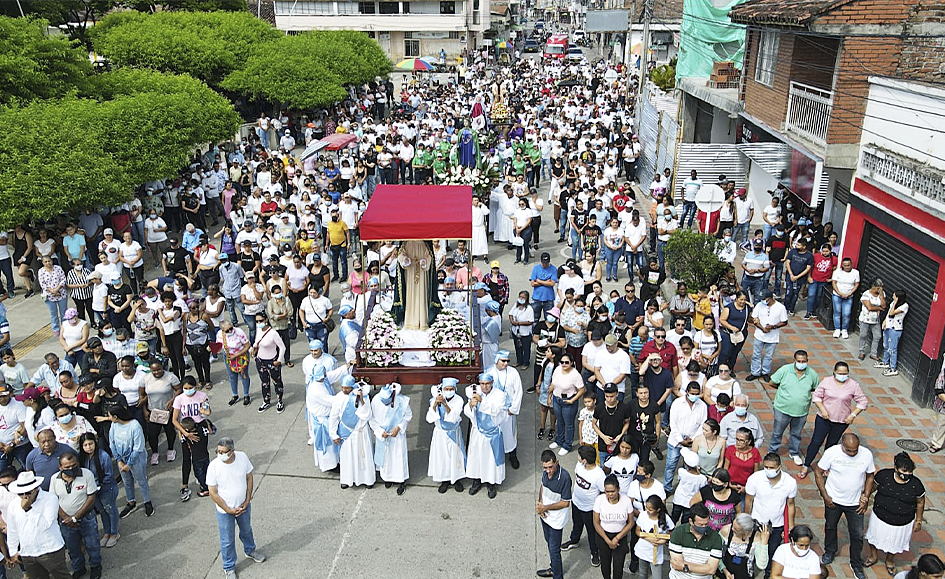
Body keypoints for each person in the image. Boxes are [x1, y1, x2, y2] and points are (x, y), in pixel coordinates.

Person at [815, 433, 875, 579]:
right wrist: (825, 495)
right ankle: (830, 551)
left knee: (857, 535)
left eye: (855, 450)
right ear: (842, 445)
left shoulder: (866, 454)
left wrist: (866, 496)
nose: (853, 453)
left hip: (855, 503)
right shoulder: (831, 453)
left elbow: (870, 475)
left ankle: (856, 564)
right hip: (833, 500)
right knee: (830, 526)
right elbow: (818, 471)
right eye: (849, 450)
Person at [208, 437, 266, 579]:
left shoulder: (242, 457)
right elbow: (212, 493)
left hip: (243, 506)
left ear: (232, 451)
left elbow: (249, 477)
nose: (220, 454)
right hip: (224, 511)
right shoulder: (214, 466)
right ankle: (228, 567)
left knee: (246, 530)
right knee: (227, 540)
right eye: (218, 451)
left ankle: (250, 550)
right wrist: (228, 509)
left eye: (223, 452)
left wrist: (247, 500)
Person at [800, 361, 867, 479]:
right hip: (823, 418)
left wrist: (853, 415)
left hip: (841, 420)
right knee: (816, 441)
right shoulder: (826, 382)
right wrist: (823, 409)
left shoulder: (853, 385)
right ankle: (806, 464)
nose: (842, 375)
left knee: (831, 445)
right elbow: (816, 396)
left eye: (845, 373)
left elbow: (862, 402)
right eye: (840, 373)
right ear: (834, 372)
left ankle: (826, 466)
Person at [864, 452, 925, 575]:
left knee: (895, 542)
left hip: (902, 521)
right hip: (880, 516)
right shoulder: (884, 476)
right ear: (896, 468)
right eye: (904, 471)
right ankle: (873, 556)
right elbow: (872, 487)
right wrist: (864, 498)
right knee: (873, 536)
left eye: (909, 473)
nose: (906, 475)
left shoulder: (916, 485)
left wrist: (918, 520)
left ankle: (890, 560)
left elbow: (920, 502)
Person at [5, 470, 72, 579]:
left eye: (27, 493)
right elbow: (13, 530)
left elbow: (45, 525)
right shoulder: (13, 505)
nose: (24, 496)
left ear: (36, 488)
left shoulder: (50, 499)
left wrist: (28, 509)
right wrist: (13, 551)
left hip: (50, 550)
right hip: (28, 552)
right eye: (20, 493)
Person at [50, 452, 102, 579]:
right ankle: (79, 568)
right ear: (60, 467)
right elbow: (53, 500)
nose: (70, 469)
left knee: (92, 544)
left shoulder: (87, 474)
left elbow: (91, 497)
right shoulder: (54, 479)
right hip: (65, 522)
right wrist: (66, 518)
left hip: (86, 518)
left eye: (73, 465)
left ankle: (95, 566)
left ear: (78, 463)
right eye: (66, 467)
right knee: (72, 548)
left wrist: (75, 517)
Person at [745, 453, 797, 577]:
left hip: (777, 525)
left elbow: (790, 505)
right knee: (751, 551)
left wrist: (790, 527)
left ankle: (768, 574)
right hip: (756, 522)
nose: (768, 470)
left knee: (772, 552)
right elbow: (748, 500)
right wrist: (746, 520)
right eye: (766, 467)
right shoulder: (755, 478)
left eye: (771, 468)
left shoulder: (790, 482)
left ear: (779, 467)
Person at [766, 350, 819, 466]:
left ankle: (794, 452)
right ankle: (773, 451)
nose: (801, 363)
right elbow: (772, 382)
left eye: (804, 361)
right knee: (777, 432)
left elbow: (815, 388)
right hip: (782, 409)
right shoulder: (785, 370)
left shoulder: (812, 374)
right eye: (799, 361)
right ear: (793, 360)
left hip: (801, 412)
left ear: (807, 361)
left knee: (796, 433)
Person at [465, 373, 507, 499]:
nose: (485, 386)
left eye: (487, 384)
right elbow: (467, 411)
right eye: (482, 384)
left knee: (490, 460)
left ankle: (491, 483)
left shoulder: (500, 395)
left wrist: (481, 402)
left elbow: (496, 410)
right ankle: (476, 481)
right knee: (477, 457)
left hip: (492, 433)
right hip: (478, 431)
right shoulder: (474, 393)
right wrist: (471, 405)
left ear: (492, 383)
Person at [329, 376, 375, 489]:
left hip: (361, 431)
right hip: (347, 432)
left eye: (347, 388)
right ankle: (347, 479)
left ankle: (367, 479)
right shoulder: (338, 398)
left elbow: (367, 414)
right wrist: (333, 434)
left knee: (363, 457)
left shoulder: (361, 396)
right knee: (347, 457)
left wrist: (362, 400)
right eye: (343, 388)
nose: (344, 390)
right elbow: (334, 417)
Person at [108, 406, 154, 518]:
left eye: (109, 416)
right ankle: (131, 502)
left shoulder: (135, 425)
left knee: (141, 480)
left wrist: (129, 463)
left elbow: (138, 447)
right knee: (127, 481)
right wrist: (119, 460)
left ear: (116, 416)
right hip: (122, 459)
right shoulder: (114, 425)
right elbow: (112, 442)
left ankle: (147, 501)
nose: (108, 418)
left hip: (136, 459)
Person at [563, 444, 605, 564]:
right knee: (576, 524)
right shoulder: (579, 466)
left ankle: (594, 552)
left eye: (579, 456)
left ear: (585, 460)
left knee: (592, 532)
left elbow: (602, 493)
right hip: (576, 502)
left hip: (589, 509)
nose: (578, 457)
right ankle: (574, 540)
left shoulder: (599, 475)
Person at [665, 382, 708, 494]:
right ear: (687, 392)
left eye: (697, 393)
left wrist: (692, 439)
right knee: (670, 465)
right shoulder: (677, 403)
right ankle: (667, 487)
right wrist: (681, 440)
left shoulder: (702, 406)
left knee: (689, 467)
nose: (694, 396)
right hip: (675, 441)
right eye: (692, 393)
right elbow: (673, 423)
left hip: (692, 442)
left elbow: (702, 425)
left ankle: (686, 487)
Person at [426, 377, 466, 493]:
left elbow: (453, 417)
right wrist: (435, 404)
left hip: (453, 432)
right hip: (440, 433)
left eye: (451, 389)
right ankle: (445, 480)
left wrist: (445, 404)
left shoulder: (458, 400)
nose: (449, 391)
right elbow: (430, 417)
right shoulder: (434, 399)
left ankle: (456, 479)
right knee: (442, 456)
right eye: (446, 389)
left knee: (455, 456)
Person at [370, 383, 411, 495]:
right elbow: (372, 419)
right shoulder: (375, 400)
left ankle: (401, 481)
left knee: (398, 458)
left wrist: (398, 428)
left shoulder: (402, 401)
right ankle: (387, 478)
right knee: (386, 458)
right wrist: (379, 431)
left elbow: (408, 416)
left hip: (396, 435)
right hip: (383, 435)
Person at [537, 450, 572, 579]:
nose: (548, 471)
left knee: (554, 549)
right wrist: (540, 503)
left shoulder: (564, 478)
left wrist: (545, 507)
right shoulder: (545, 473)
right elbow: (542, 487)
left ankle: (557, 575)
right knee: (549, 543)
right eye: (545, 467)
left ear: (557, 462)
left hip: (556, 520)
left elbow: (565, 503)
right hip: (545, 515)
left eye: (550, 467)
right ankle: (553, 568)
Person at [593, 473, 634, 579]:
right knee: (605, 566)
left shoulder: (626, 501)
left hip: (620, 536)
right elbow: (596, 523)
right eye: (607, 491)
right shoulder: (599, 500)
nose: (610, 494)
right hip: (603, 536)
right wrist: (608, 540)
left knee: (618, 567)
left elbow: (630, 523)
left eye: (613, 491)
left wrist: (617, 538)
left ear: (618, 489)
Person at [668, 503, 723, 579]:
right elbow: (676, 564)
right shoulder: (678, 533)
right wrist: (703, 568)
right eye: (700, 525)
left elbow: (711, 569)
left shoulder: (715, 538)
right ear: (691, 521)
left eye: (706, 524)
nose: (704, 527)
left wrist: (685, 566)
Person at [548, 351, 585, 456]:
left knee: (568, 424)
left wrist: (572, 400)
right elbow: (553, 383)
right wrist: (549, 396)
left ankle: (567, 444)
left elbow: (582, 390)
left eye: (566, 362)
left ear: (572, 363)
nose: (564, 364)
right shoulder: (557, 369)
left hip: (568, 401)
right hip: (557, 399)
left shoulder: (575, 374)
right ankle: (559, 440)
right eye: (562, 362)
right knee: (559, 421)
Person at [746, 290, 787, 382]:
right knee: (756, 354)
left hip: (773, 337)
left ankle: (765, 372)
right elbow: (753, 319)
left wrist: (773, 327)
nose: (762, 301)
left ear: (770, 298)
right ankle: (755, 372)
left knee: (769, 356)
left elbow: (784, 321)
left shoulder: (780, 307)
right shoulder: (759, 306)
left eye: (764, 299)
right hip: (759, 335)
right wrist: (761, 328)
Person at [718, 513, 771, 579]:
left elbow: (762, 565)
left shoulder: (756, 538)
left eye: (736, 529)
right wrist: (724, 570)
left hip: (745, 575)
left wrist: (764, 543)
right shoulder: (726, 531)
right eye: (733, 526)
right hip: (725, 572)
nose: (732, 529)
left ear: (746, 532)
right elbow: (716, 553)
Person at [218, 321, 252, 407]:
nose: (230, 331)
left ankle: (246, 395)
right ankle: (235, 395)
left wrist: (236, 355)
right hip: (229, 357)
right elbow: (219, 346)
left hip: (241, 355)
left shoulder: (239, 332)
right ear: (222, 330)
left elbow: (247, 346)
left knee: (243, 375)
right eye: (227, 330)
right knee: (232, 376)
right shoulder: (220, 335)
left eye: (231, 328)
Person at [878, 290, 908, 377]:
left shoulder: (904, 306)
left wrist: (895, 302)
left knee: (892, 349)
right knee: (886, 346)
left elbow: (892, 313)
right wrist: (884, 322)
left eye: (894, 296)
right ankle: (885, 362)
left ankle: (893, 368)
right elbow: (888, 314)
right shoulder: (893, 303)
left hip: (896, 329)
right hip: (888, 326)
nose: (892, 297)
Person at [723, 428, 762, 494]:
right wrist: (729, 484)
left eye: (741, 440)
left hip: (747, 486)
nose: (738, 442)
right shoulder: (730, 449)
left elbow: (755, 473)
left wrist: (746, 488)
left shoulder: (755, 452)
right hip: (731, 484)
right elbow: (725, 469)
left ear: (748, 442)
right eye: (737, 439)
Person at [858, 279, 886, 360]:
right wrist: (879, 308)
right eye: (878, 288)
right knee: (863, 335)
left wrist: (881, 296)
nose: (879, 290)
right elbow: (869, 307)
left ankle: (873, 353)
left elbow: (884, 306)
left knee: (877, 336)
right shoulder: (866, 295)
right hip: (865, 319)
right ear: (873, 287)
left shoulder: (882, 294)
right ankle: (861, 352)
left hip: (876, 320)